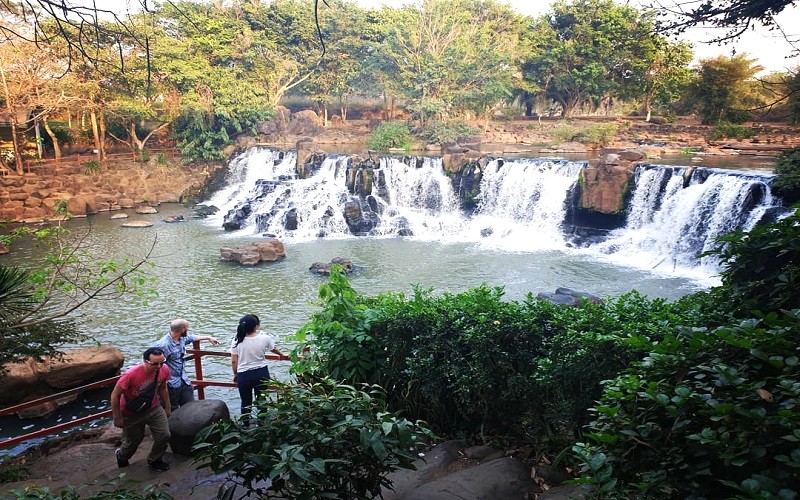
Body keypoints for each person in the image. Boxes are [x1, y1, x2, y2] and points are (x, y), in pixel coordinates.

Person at [110, 347, 172, 471]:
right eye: (155, 363)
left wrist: (167, 406)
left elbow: (163, 388)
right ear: (145, 361)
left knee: (164, 435)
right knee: (133, 441)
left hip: (153, 407)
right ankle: (122, 456)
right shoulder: (131, 374)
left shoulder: (164, 369)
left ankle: (155, 459)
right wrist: (117, 417)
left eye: (162, 362)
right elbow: (115, 395)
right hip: (131, 412)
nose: (159, 366)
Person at [155, 318, 220, 411]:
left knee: (190, 408)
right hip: (171, 384)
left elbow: (191, 338)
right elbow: (156, 364)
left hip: (183, 381)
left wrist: (208, 337)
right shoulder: (164, 345)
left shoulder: (180, 338)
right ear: (183, 330)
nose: (188, 330)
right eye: (187, 328)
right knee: (173, 411)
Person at [230, 314, 285, 422]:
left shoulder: (237, 340)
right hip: (261, 373)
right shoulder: (264, 338)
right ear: (256, 326)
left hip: (244, 375)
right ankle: (261, 424)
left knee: (245, 402)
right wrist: (281, 354)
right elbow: (273, 349)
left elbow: (233, 360)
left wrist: (236, 374)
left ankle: (245, 425)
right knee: (261, 400)